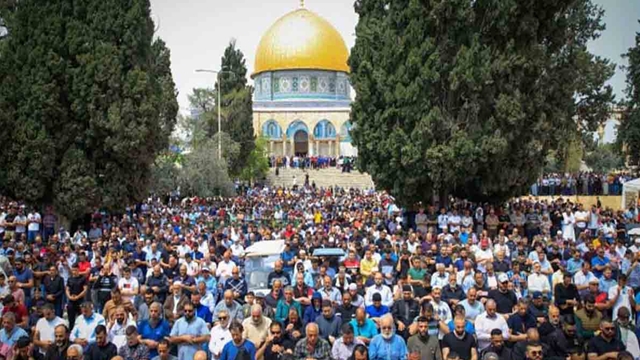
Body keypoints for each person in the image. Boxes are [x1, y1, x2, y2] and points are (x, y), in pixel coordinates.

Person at [66, 264, 88, 329]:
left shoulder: (83, 279)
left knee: (82, 319)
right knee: (71, 320)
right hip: (71, 301)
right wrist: (69, 296)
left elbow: (85, 290)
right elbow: (67, 289)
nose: (74, 272)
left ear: (78, 270)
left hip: (80, 301)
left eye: (75, 270)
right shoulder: (69, 279)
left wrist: (78, 297)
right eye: (73, 270)